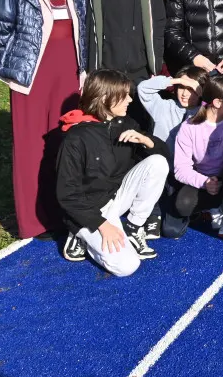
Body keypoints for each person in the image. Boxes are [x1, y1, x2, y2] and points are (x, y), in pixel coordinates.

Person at [0, 0, 89, 239]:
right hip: (32, 78)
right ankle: (34, 220)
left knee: (64, 143)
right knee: (32, 148)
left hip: (69, 73)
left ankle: (62, 212)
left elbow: (84, 30)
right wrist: (17, 66)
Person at [55, 70, 169, 274]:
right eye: (124, 95)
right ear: (105, 97)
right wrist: (101, 225)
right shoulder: (76, 138)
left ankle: (134, 227)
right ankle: (79, 232)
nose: (130, 99)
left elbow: (164, 159)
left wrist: (146, 141)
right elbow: (67, 195)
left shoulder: (126, 124)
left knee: (158, 162)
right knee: (127, 267)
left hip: (115, 197)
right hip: (90, 209)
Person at [85, 0, 166, 112]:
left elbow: (158, 23)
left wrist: (155, 64)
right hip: (106, 75)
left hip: (142, 74)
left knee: (140, 129)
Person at [163, 75, 223, 239]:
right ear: (218, 102)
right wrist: (204, 182)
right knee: (180, 210)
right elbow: (181, 169)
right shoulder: (189, 127)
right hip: (202, 177)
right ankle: (215, 203)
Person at [137, 66, 209, 146]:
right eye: (181, 87)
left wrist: (203, 95)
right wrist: (177, 80)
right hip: (161, 156)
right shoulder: (164, 106)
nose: (184, 94)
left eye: (191, 89)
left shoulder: (207, 112)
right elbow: (142, 88)